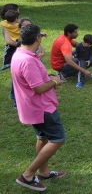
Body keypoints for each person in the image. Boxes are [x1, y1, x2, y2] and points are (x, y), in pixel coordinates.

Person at [11, 24, 66, 192]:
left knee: (42, 138)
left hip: (31, 108)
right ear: (37, 38)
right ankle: (27, 175)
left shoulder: (20, 53)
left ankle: (44, 172)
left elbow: (34, 81)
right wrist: (55, 81)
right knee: (58, 138)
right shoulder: (27, 60)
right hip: (42, 108)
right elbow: (39, 88)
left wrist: (47, 78)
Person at [1, 4, 20, 70]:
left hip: (16, 43)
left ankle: (7, 63)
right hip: (15, 43)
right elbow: (8, 41)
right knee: (9, 53)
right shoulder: (6, 26)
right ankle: (7, 63)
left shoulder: (4, 24)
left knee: (9, 53)